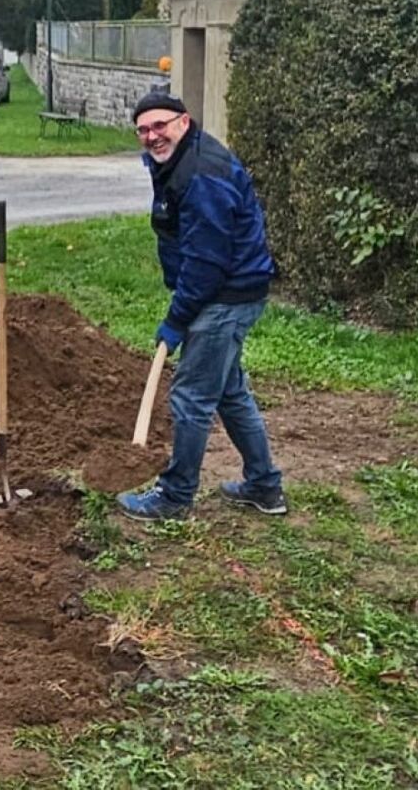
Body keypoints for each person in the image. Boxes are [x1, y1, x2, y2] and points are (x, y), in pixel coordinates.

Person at [118, 93, 286, 520]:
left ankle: (175, 497)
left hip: (224, 296)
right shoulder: (178, 161)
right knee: (229, 392)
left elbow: (206, 263)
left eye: (160, 125)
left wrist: (177, 319)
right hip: (230, 291)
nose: (152, 136)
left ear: (184, 121)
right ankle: (264, 486)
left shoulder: (202, 174)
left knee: (192, 396)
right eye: (143, 129)